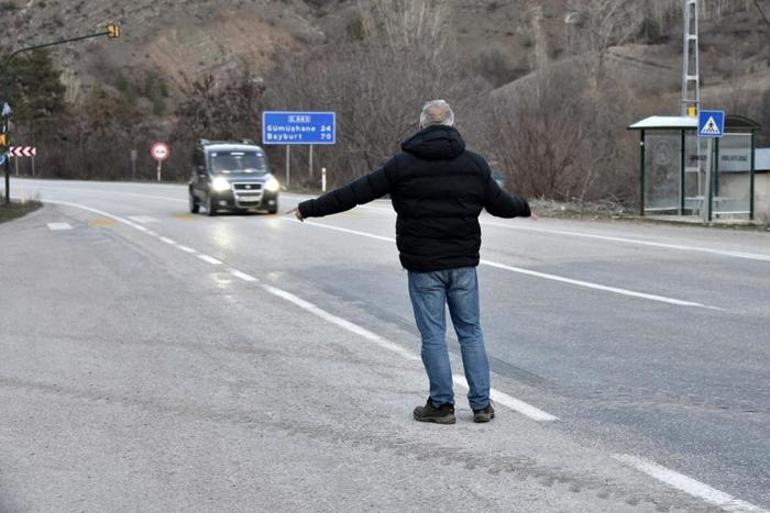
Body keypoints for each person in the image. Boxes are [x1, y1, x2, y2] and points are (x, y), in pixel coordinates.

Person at [289, 100, 532, 424]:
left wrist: (310, 208)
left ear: (421, 126)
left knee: (433, 334)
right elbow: (500, 204)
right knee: (470, 332)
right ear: (451, 124)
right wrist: (524, 207)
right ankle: (481, 405)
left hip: (424, 266)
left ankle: (442, 405)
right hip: (462, 265)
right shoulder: (474, 164)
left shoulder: (402, 165)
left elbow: (355, 193)